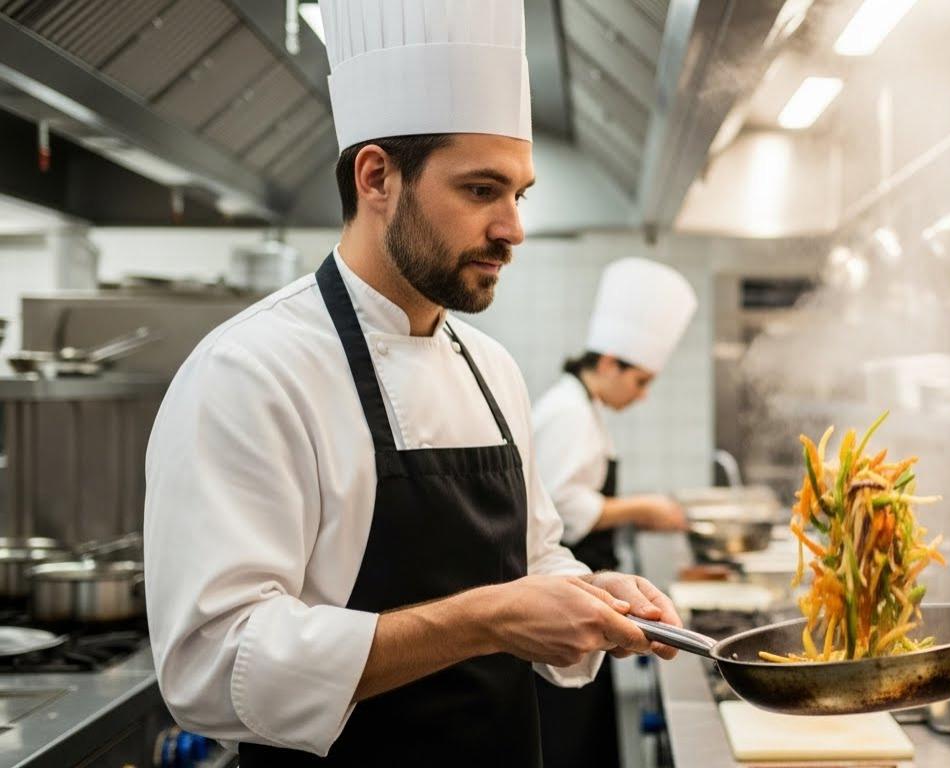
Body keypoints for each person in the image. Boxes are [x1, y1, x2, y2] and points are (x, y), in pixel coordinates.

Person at [143, 2, 680, 764]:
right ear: (376, 177)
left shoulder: (491, 370)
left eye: (517, 194)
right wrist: (485, 619)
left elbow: (536, 556)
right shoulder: (250, 372)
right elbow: (212, 663)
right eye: (479, 190)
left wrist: (588, 593)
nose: (513, 228)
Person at [531, 257, 698, 768]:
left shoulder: (583, 406)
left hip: (583, 587)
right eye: (641, 381)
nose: (643, 395)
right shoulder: (569, 412)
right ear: (608, 365)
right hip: (567, 588)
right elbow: (564, 505)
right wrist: (642, 507)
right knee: (570, 736)